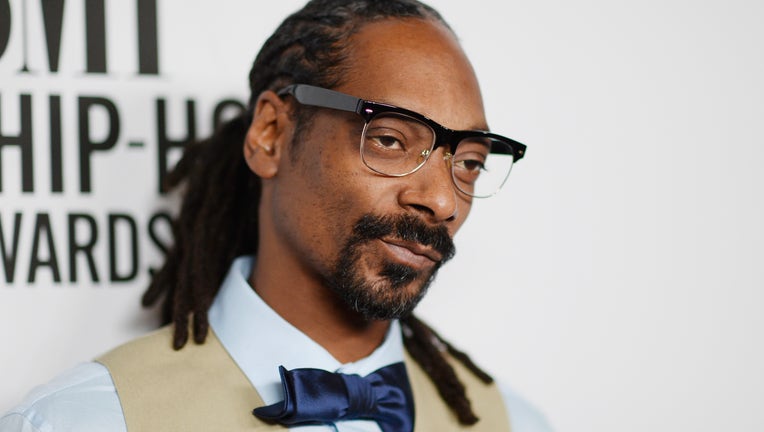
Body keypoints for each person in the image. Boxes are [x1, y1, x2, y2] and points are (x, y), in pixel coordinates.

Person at [1, 0, 552, 431]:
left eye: (472, 163)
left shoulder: (515, 425)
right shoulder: (81, 423)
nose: (443, 201)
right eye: (388, 140)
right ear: (271, 134)